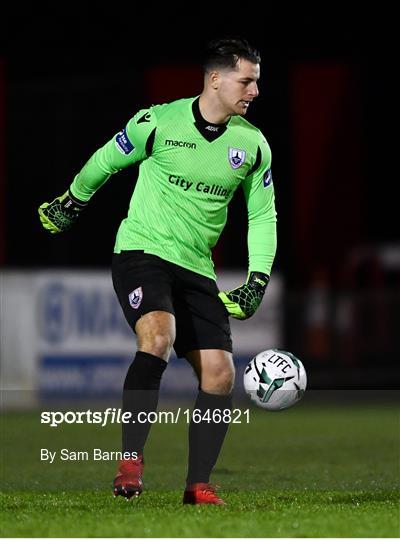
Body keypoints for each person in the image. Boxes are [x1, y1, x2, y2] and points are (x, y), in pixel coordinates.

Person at [38, 37, 277, 505]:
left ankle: (198, 486)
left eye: (256, 82)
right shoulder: (158, 122)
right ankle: (130, 464)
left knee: (220, 374)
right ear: (216, 79)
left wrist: (258, 278)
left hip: (196, 267)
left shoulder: (252, 145)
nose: (253, 91)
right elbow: (108, 159)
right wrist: (73, 200)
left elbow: (263, 215)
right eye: (247, 81)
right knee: (158, 337)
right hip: (142, 251)